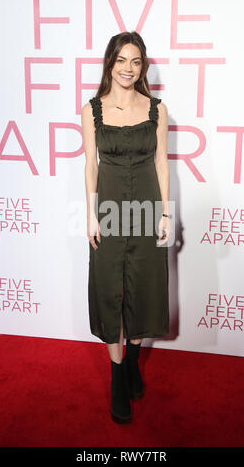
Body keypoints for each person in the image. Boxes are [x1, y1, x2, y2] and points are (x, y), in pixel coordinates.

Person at [82, 31, 171, 424]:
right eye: (121, 61)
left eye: (135, 62)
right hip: (109, 208)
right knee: (109, 291)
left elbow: (162, 163)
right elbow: (91, 165)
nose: (128, 69)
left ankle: (133, 360)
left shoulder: (156, 109)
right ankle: (118, 375)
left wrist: (166, 213)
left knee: (145, 287)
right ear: (109, 63)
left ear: (143, 66)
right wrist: (89, 213)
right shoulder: (92, 109)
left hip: (148, 207)